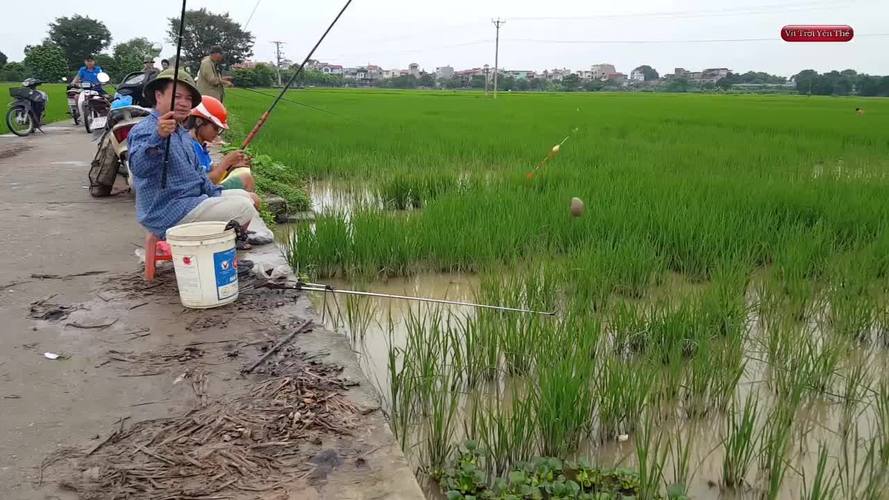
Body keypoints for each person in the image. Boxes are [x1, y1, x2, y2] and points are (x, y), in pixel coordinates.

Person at [127, 68, 259, 247]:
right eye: (177, 96)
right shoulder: (146, 129)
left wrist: (216, 193)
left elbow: (199, 176)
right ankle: (223, 246)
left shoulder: (182, 134)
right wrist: (158, 137)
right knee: (244, 207)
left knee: (246, 197)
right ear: (159, 96)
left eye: (188, 99)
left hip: (191, 201)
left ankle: (230, 242)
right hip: (168, 211)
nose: (183, 103)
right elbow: (139, 168)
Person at [186, 95, 256, 192]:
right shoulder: (189, 147)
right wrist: (226, 162)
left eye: (219, 129)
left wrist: (231, 166)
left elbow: (211, 172)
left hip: (207, 191)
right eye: (215, 128)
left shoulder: (200, 146)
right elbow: (203, 183)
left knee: (246, 176)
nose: (217, 133)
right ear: (198, 122)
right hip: (200, 196)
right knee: (249, 186)